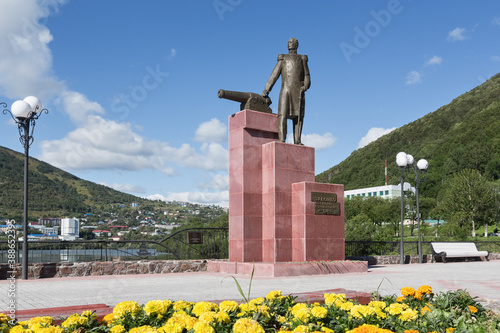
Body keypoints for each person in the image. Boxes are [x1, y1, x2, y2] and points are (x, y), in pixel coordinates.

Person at [262, 38, 311, 144]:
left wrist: (305, 86)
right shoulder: (283, 58)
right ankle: (282, 140)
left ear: (297, 45)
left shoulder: (302, 58)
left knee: (298, 117)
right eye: (288, 42)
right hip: (286, 91)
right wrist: (267, 88)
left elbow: (307, 74)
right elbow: (274, 75)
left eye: (292, 42)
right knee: (282, 115)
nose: (289, 44)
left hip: (298, 91)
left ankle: (297, 140)